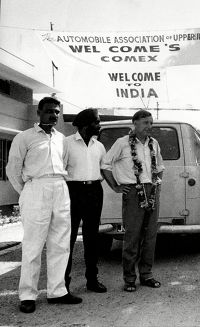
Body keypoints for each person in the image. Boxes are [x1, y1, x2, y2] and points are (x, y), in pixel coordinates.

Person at [6, 97, 82, 314]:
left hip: (60, 186)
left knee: (61, 243)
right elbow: (13, 169)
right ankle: (28, 295)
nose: (54, 115)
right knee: (33, 245)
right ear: (38, 113)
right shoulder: (24, 137)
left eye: (57, 112)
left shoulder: (62, 140)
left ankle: (57, 291)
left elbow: (66, 163)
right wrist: (28, 192)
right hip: (35, 187)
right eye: (49, 111)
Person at [101, 110, 165, 292]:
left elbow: (160, 166)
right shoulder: (122, 143)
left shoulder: (154, 143)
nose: (149, 127)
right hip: (133, 192)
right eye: (145, 123)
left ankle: (147, 275)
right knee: (132, 236)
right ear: (134, 123)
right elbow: (105, 164)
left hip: (151, 190)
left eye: (151, 123)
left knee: (150, 235)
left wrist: (157, 183)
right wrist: (115, 186)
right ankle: (129, 278)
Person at [63, 109, 107, 293]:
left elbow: (104, 169)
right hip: (73, 191)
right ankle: (63, 284)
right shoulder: (66, 143)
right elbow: (60, 169)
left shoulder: (99, 146)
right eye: (96, 122)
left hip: (94, 191)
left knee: (92, 238)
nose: (99, 125)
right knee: (68, 238)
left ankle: (92, 280)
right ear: (84, 125)